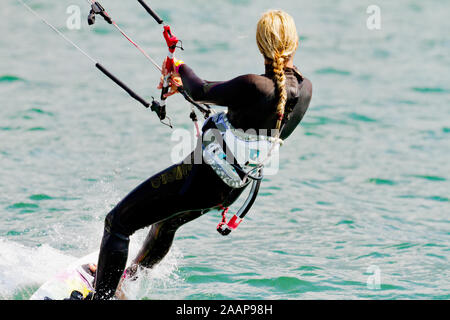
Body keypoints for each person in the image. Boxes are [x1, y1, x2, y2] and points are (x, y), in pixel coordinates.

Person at [89, 9, 312, 300]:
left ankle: (101, 298)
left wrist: (178, 66)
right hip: (230, 190)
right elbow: (249, 105)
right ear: (294, 43)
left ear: (261, 45)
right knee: (166, 222)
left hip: (198, 180)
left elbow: (201, 89)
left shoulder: (253, 86)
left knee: (117, 224)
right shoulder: (305, 90)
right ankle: (126, 279)